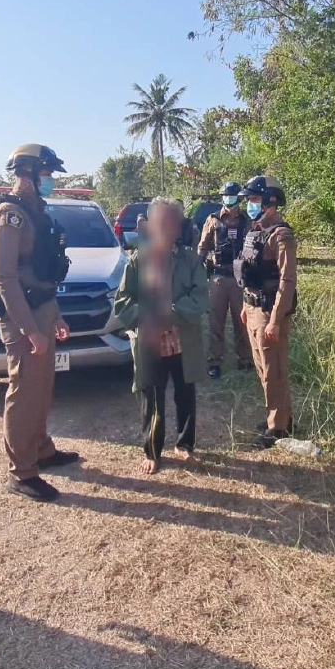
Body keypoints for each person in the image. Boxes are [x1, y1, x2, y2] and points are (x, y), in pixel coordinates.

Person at [0, 144, 80, 501]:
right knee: (24, 391)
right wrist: (29, 329)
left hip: (42, 308)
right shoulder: (9, 216)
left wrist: (54, 316)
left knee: (42, 386)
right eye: (46, 174)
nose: (51, 181)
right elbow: (6, 279)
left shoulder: (36, 211)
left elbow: (44, 274)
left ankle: (42, 450)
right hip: (20, 314)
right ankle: (22, 472)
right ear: (27, 173)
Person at [113, 198, 209, 474]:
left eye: (172, 222)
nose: (166, 228)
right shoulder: (137, 260)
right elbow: (122, 303)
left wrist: (170, 313)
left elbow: (200, 297)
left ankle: (185, 446)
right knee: (152, 397)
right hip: (151, 342)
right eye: (160, 223)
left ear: (179, 227)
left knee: (185, 394)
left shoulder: (190, 259)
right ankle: (152, 451)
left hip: (183, 340)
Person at [235, 175, 298, 447]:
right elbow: (249, 274)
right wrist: (244, 306)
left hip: (270, 312)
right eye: (249, 199)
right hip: (253, 308)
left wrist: (275, 320)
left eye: (254, 199)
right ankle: (280, 417)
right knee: (263, 369)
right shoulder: (255, 230)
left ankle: (278, 429)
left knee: (275, 371)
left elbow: (287, 281)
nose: (249, 204)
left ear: (271, 203)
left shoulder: (281, 235)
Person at [196, 181, 252, 379]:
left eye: (232, 195)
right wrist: (198, 266)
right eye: (226, 195)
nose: (229, 199)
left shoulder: (246, 221)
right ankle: (215, 361)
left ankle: (245, 359)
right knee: (216, 322)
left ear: (239, 197)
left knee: (241, 321)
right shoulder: (213, 220)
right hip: (218, 277)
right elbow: (202, 247)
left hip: (238, 279)